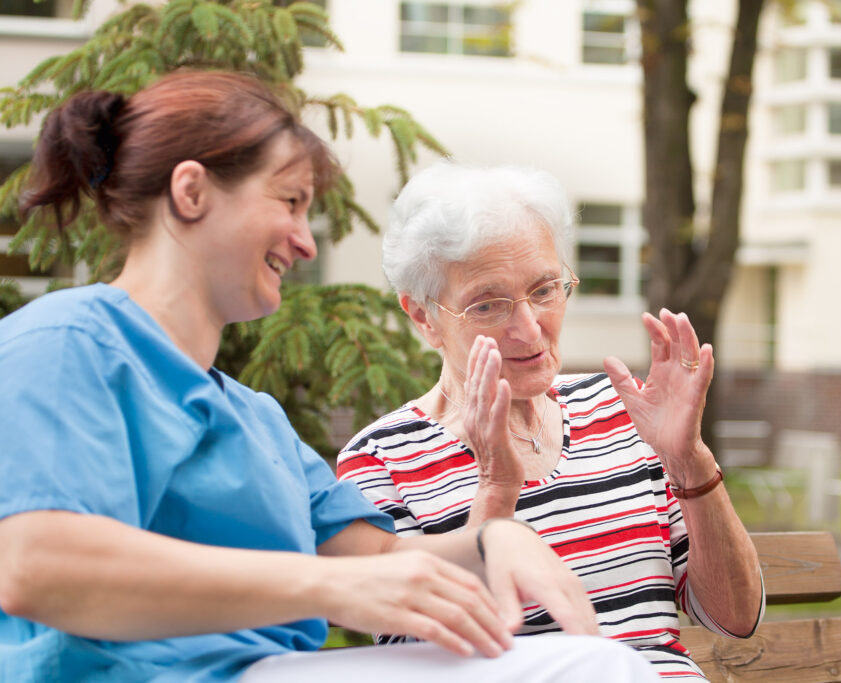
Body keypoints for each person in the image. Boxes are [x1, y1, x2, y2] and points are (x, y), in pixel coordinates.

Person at [0, 71, 661, 682]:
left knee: (600, 665)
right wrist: (324, 586)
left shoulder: (255, 420)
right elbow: (38, 565)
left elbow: (376, 562)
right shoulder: (68, 341)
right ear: (191, 191)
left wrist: (495, 535)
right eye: (289, 201)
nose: (306, 241)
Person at [336, 161, 766, 679]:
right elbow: (425, 661)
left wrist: (688, 458)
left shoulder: (620, 410)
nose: (529, 327)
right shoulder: (382, 460)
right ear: (423, 316)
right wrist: (495, 489)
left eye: (544, 290)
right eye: (489, 305)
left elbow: (736, 618)